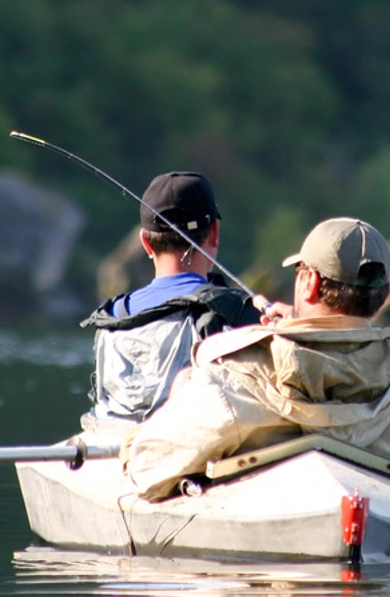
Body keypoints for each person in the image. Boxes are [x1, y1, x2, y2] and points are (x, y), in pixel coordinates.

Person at [122, 217, 390, 500]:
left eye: (300, 271)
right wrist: (299, 328)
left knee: (184, 380)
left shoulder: (233, 372)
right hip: (375, 507)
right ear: (384, 295)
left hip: (266, 528)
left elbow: (148, 468)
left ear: (310, 283)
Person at [81, 171, 262, 425]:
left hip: (116, 447)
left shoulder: (112, 317)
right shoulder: (236, 313)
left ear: (145, 242)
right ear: (215, 233)